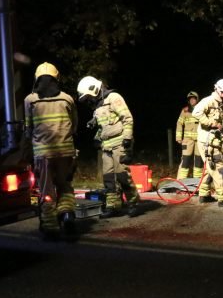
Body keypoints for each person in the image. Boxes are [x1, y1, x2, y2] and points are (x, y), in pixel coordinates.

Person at [24, 62, 78, 238]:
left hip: (43, 153)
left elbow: (28, 128)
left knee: (46, 190)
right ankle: (67, 215)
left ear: (37, 79)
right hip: (66, 151)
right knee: (65, 185)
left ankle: (50, 227)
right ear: (57, 78)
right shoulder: (67, 99)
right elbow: (74, 125)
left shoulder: (30, 100)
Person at [76, 75, 140, 218]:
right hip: (106, 146)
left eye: (88, 98)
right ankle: (113, 206)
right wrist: (97, 137)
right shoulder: (98, 106)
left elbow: (127, 118)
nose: (88, 102)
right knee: (109, 178)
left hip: (120, 143)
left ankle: (133, 203)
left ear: (94, 90)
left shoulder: (113, 98)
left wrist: (127, 139)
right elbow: (103, 126)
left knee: (123, 176)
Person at [191, 78, 223, 207]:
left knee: (210, 168)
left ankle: (204, 194)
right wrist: (211, 123)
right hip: (208, 142)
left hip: (214, 140)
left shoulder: (219, 103)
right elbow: (196, 112)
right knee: (219, 168)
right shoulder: (209, 101)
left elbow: (221, 119)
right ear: (216, 89)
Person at [175, 91, 203, 180]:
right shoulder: (185, 110)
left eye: (193, 99)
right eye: (190, 99)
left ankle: (197, 180)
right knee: (185, 160)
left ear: (197, 99)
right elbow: (179, 123)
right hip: (187, 140)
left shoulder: (201, 110)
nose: (192, 100)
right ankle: (181, 180)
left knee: (199, 160)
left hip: (199, 140)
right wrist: (178, 137)